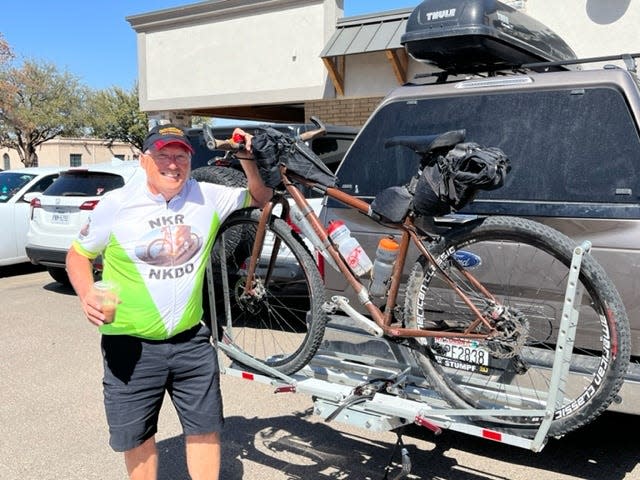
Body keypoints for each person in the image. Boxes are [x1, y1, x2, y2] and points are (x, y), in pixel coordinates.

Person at [66, 123, 272, 480]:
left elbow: (259, 196)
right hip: (129, 345)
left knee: (205, 429)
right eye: (163, 154)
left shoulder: (206, 195)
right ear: (145, 160)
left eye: (181, 155)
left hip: (191, 341)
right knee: (139, 438)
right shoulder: (116, 204)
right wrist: (87, 294)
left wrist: (247, 159)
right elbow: (78, 255)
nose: (173, 164)